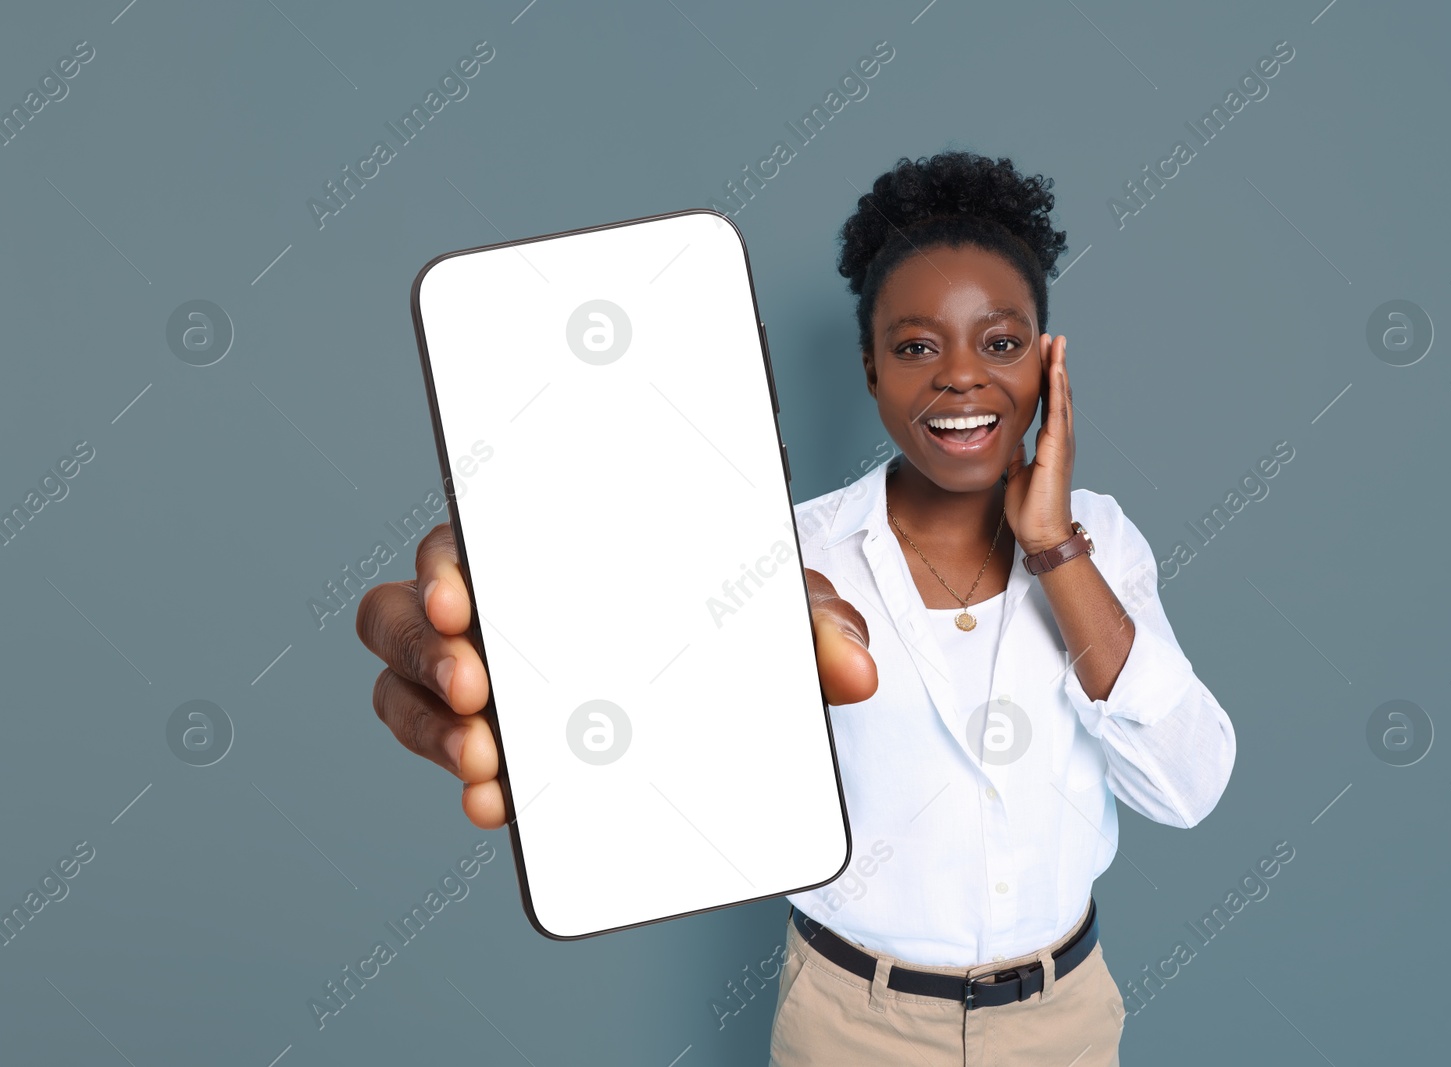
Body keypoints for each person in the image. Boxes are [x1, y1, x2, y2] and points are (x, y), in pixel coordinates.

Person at [357, 150, 1236, 1066]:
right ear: (870, 371)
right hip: (851, 1024)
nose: (961, 376)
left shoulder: (1100, 542)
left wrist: (1053, 547)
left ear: (1050, 361)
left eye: (1002, 342)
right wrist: (553, 655)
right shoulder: (784, 558)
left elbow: (1189, 784)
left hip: (1065, 1018)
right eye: (916, 346)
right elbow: (677, 733)